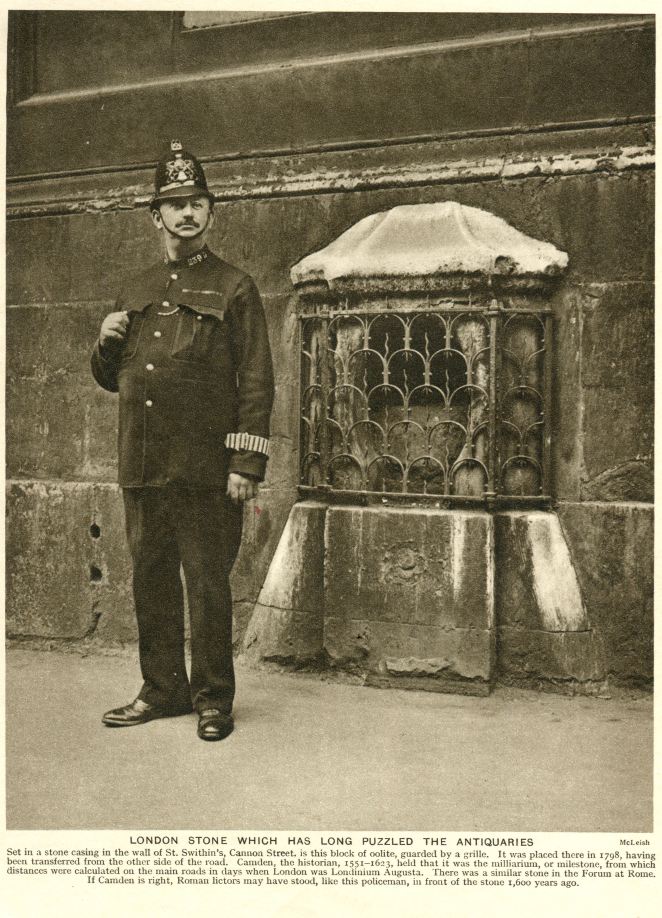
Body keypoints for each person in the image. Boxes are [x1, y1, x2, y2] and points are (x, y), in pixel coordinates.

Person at [91, 140, 274, 741]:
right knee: (151, 580)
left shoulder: (235, 287)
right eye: (175, 204)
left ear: (211, 212)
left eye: (197, 202)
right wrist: (105, 342)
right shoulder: (135, 287)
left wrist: (245, 463)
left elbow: (257, 380)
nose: (187, 213)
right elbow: (109, 378)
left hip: (203, 468)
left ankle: (214, 698)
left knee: (206, 583)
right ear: (156, 216)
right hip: (143, 464)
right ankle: (163, 689)